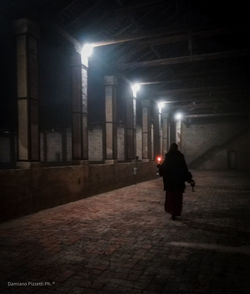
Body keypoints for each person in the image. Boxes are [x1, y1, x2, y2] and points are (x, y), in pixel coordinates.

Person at [158, 143, 193, 220]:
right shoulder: (180, 157)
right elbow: (184, 169)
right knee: (177, 198)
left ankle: (172, 213)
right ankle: (175, 212)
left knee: (171, 198)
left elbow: (164, 169)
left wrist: (159, 167)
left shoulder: (168, 157)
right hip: (178, 182)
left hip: (170, 183)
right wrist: (189, 179)